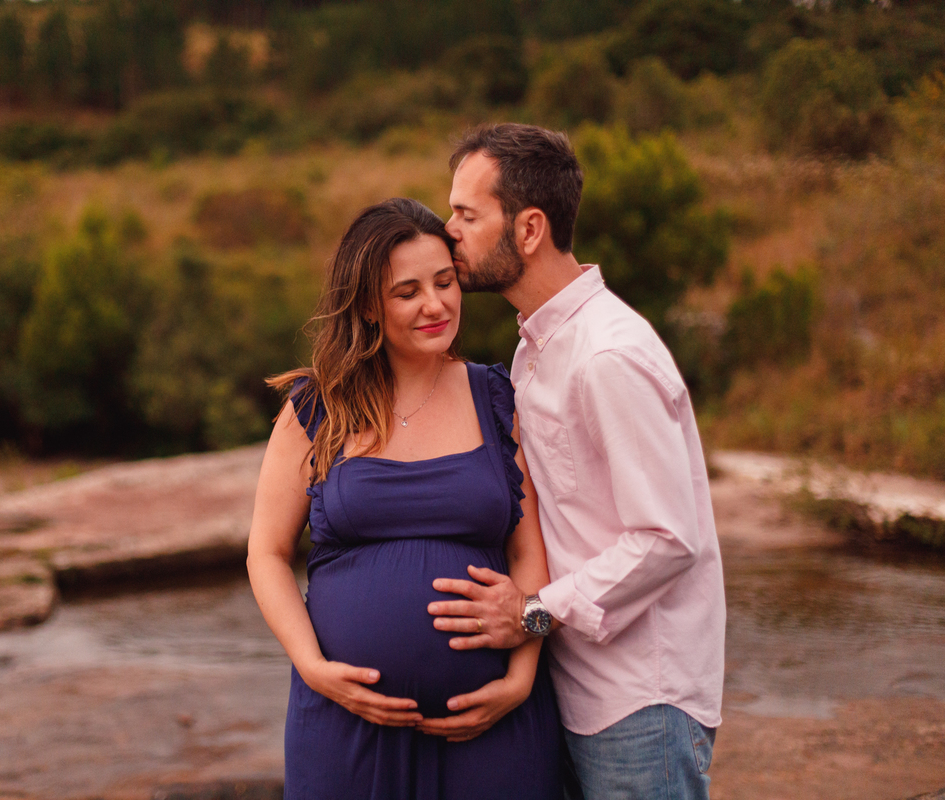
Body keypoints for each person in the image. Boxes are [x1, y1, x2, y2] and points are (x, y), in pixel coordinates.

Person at [427, 123, 726, 800]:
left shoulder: (607, 356)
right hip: (577, 690)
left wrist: (531, 613)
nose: (449, 232)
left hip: (639, 704)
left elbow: (666, 538)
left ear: (529, 229)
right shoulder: (537, 348)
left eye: (468, 215)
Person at [246, 198, 564, 800]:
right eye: (408, 292)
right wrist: (313, 667)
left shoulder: (496, 398)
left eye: (445, 282)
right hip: (345, 725)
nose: (435, 305)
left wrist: (521, 678)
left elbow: (530, 553)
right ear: (369, 304)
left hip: (493, 726)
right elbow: (266, 553)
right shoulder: (317, 408)